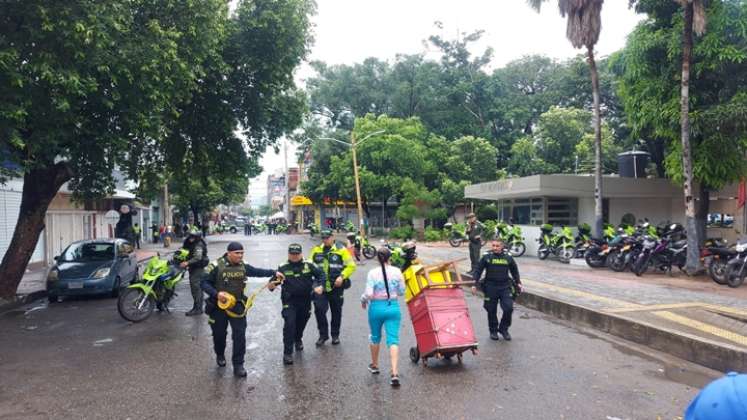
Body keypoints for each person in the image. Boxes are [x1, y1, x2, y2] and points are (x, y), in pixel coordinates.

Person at [201, 242, 285, 378]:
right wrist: (216, 294)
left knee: (239, 335)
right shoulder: (216, 266)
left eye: (242, 253)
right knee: (219, 335)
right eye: (237, 253)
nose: (240, 256)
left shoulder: (243, 265)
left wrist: (273, 272)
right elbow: (203, 283)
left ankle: (238, 365)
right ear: (229, 253)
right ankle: (220, 354)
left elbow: (256, 271)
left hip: (237, 306)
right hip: (218, 306)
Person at [268, 243, 325, 365]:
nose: (294, 256)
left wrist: (320, 285)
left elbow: (321, 274)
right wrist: (271, 285)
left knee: (302, 321)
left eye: (297, 254)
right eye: (292, 254)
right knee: (289, 324)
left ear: (301, 254)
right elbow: (273, 283)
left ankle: (298, 338)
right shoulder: (283, 267)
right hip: (289, 301)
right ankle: (287, 353)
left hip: (305, 300)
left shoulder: (309, 264)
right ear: (288, 253)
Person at [361, 247, 405, 387]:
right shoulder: (397, 271)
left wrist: (363, 300)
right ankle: (394, 372)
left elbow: (368, 294)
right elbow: (402, 291)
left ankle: (375, 365)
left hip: (376, 308)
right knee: (393, 339)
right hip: (393, 307)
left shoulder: (372, 273)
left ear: (377, 258)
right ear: (389, 257)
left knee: (375, 337)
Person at [309, 229, 356, 346]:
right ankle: (323, 335)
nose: (325, 240)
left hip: (336, 286)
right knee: (319, 310)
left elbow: (351, 266)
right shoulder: (316, 249)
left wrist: (342, 276)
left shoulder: (341, 250)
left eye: (327, 238)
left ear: (332, 237)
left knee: (336, 311)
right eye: (323, 238)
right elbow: (309, 266)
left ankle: (335, 335)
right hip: (321, 286)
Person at [471, 239, 522, 341]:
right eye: (493, 245)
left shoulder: (508, 257)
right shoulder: (487, 256)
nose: (494, 248)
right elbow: (478, 270)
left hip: (505, 286)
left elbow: (514, 270)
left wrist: (518, 282)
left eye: (497, 246)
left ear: (502, 246)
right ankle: (493, 331)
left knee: (508, 308)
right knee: (491, 310)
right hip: (490, 286)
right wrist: (474, 284)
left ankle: (504, 329)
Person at [181, 229, 210, 316]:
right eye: (190, 236)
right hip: (194, 268)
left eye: (193, 236)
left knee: (196, 289)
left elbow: (198, 258)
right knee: (197, 289)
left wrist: (187, 262)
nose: (191, 238)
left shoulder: (198, 245)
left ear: (196, 237)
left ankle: (198, 309)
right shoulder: (193, 243)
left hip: (198, 269)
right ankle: (197, 307)